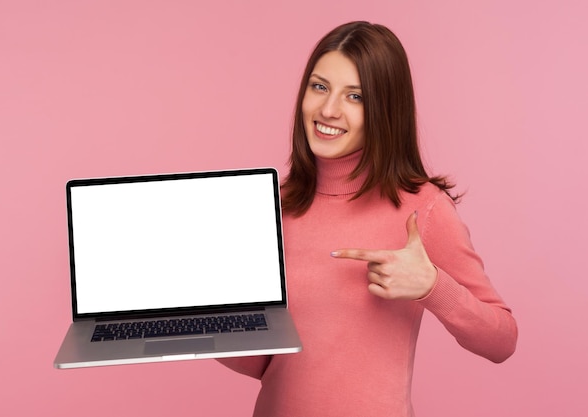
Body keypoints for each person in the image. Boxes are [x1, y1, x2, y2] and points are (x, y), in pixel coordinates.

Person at [218, 21, 518, 416]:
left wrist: (433, 286)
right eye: (319, 86)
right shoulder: (275, 207)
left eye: (355, 96)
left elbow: (502, 341)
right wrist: (207, 320)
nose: (328, 110)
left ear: (385, 108)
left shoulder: (422, 208)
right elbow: (268, 366)